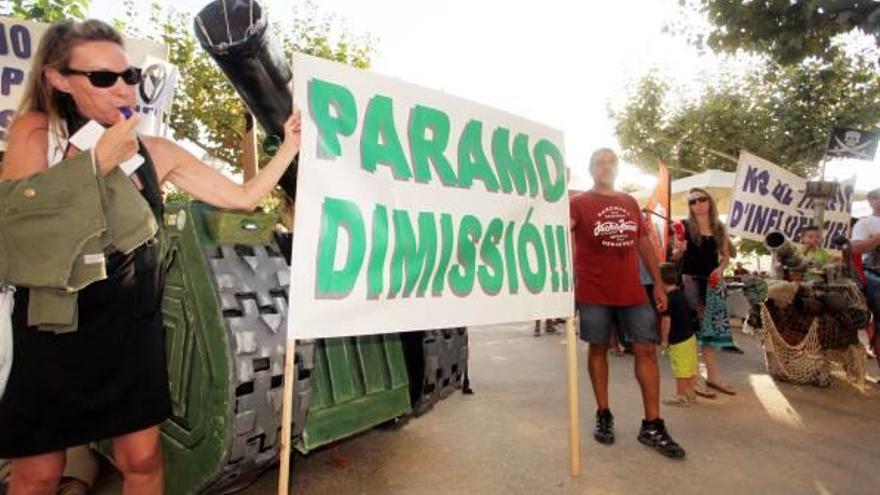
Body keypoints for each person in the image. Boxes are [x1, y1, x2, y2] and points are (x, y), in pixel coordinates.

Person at [0, 19, 301, 494]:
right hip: (52, 324)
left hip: (129, 324)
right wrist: (97, 163)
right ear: (58, 79)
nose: (122, 88)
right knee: (38, 473)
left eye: (129, 76)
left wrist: (289, 146)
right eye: (103, 78)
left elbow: (244, 197)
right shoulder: (37, 133)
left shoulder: (153, 150)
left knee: (141, 457)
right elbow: (20, 232)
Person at [570, 148, 685, 460]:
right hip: (593, 289)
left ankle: (652, 425)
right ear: (591, 169)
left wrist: (659, 284)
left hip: (631, 290)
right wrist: (563, 285)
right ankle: (603, 414)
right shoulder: (577, 203)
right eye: (599, 162)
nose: (605, 167)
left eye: (610, 162)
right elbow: (563, 241)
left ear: (617, 168)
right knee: (597, 348)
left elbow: (644, 243)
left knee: (646, 349)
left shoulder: (629, 202)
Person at [673, 188, 737, 397]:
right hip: (689, 282)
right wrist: (679, 251)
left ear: (710, 202)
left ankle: (713, 376)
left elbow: (726, 258)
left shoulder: (719, 227)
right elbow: (673, 257)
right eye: (692, 201)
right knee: (691, 333)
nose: (698, 204)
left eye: (702, 199)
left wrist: (720, 269)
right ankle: (694, 378)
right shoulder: (683, 226)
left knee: (709, 333)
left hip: (711, 283)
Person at [658, 262, 699, 407]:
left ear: (660, 280)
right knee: (690, 367)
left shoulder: (668, 299)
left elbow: (666, 321)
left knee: (680, 369)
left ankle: (681, 396)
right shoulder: (681, 295)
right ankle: (690, 393)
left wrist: (664, 340)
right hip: (690, 337)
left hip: (678, 340)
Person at [850, 188, 880, 369]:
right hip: (873, 272)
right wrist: (877, 239)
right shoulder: (864, 223)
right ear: (871, 201)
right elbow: (855, 249)